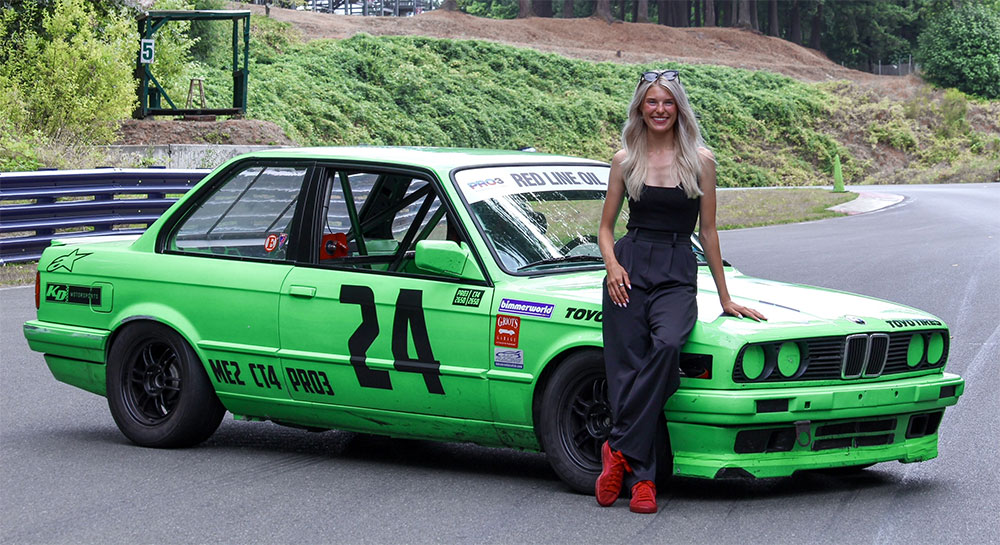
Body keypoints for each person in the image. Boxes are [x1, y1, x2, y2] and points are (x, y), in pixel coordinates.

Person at [595, 69, 766, 514]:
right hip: (629, 267)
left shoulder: (701, 161)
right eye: (651, 102)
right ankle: (644, 481)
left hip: (675, 269)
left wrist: (725, 297)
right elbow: (606, 227)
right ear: (640, 108)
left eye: (667, 102)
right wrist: (612, 265)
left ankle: (617, 449)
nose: (659, 110)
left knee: (667, 348)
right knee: (627, 370)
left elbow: (708, 232)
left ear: (679, 108)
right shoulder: (624, 160)